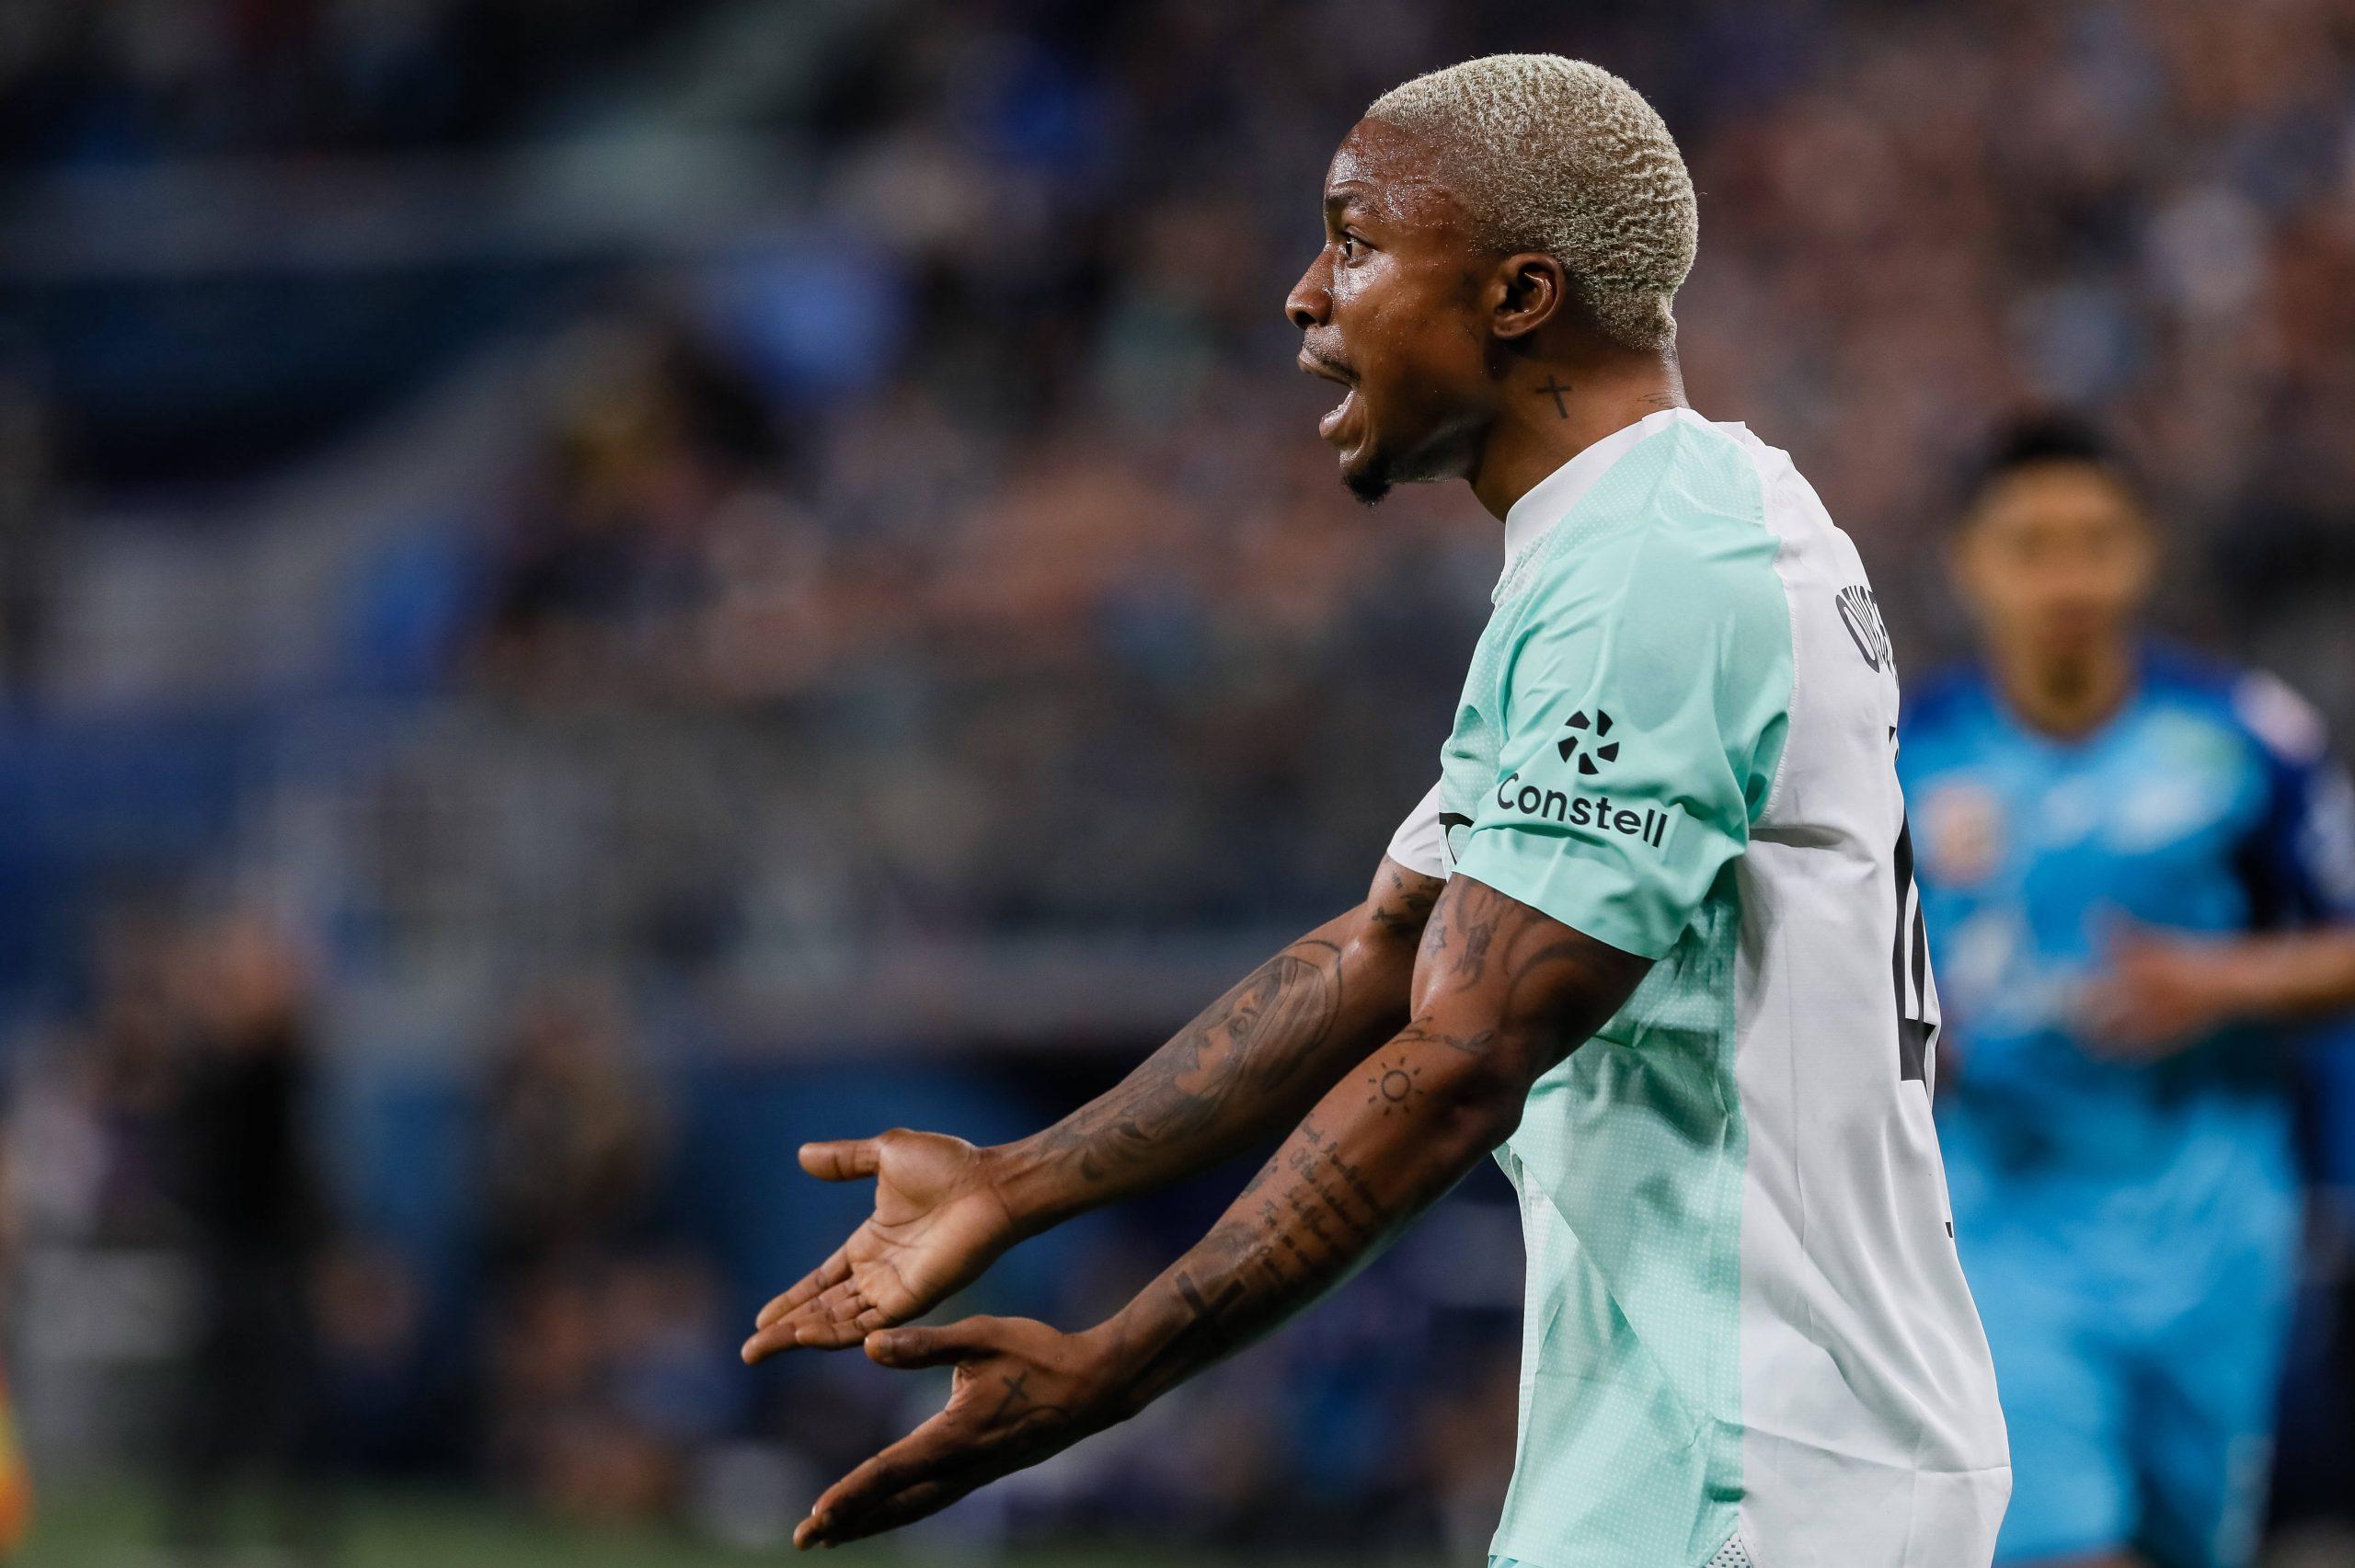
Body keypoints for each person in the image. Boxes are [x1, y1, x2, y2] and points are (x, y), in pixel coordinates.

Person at [743, 54, 2011, 1567]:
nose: (1302, 294)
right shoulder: (1637, 538)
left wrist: (1111, 1369)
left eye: (1354, 241)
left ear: (1518, 295)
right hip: (1715, 1447)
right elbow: (1388, 948)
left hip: (1771, 1468)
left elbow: (1465, 1058)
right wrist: (1017, 1184)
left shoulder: (1661, 577)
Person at [1901, 418, 2355, 1568]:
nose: (2066, 576)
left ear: (2143, 555)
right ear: (1969, 563)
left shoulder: (2241, 739)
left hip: (2215, 1232)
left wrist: (2222, 980)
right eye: (2030, 544)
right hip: (2006, 1223)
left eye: (2094, 541)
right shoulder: (1899, 757)